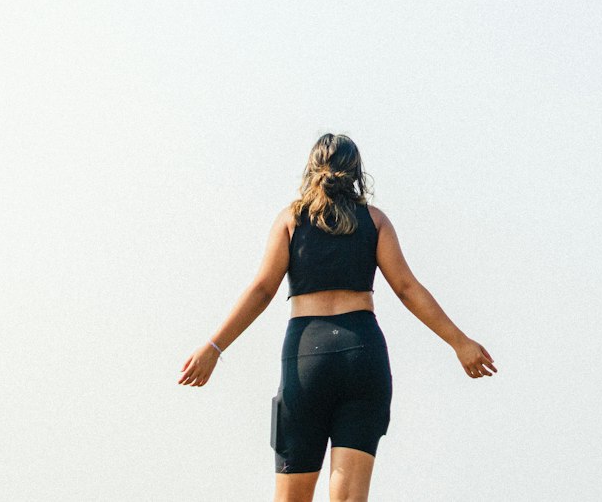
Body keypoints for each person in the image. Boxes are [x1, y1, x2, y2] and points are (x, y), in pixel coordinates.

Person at [179, 132, 496, 502]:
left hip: (306, 360)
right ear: (356, 173)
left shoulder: (291, 220)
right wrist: (460, 342)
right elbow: (407, 288)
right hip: (362, 354)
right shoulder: (375, 221)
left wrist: (214, 347)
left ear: (312, 169)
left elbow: (263, 290)